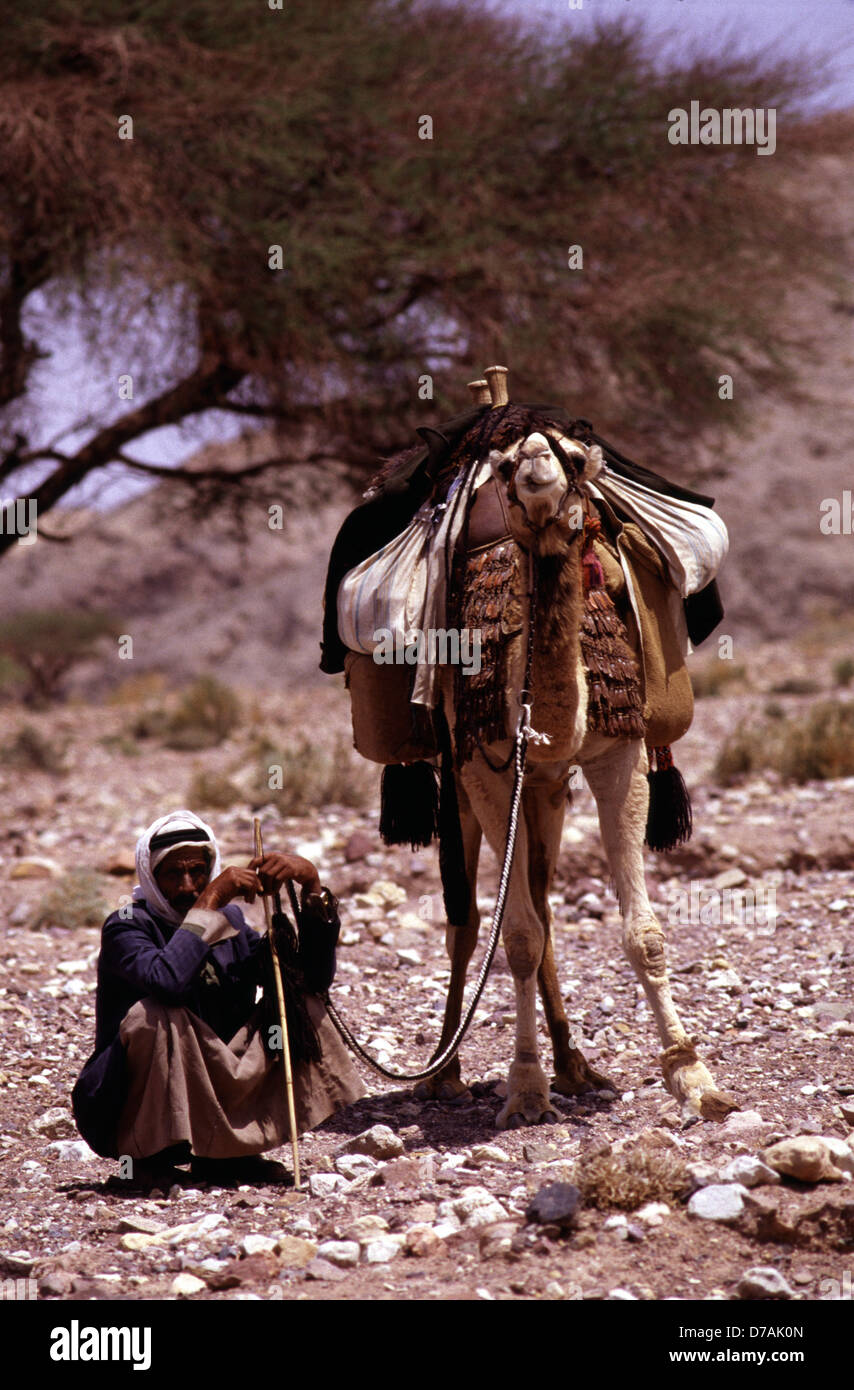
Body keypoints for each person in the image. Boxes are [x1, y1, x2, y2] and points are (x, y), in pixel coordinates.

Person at [72, 810, 364, 1187]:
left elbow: (312, 980)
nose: (188, 886)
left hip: (217, 1084)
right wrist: (208, 903)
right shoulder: (127, 925)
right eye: (174, 874)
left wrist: (310, 885)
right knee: (156, 1015)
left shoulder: (233, 925)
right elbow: (167, 981)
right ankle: (150, 1156)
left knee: (300, 1003)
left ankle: (226, 1154)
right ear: (150, 874)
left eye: (198, 873)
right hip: (126, 1104)